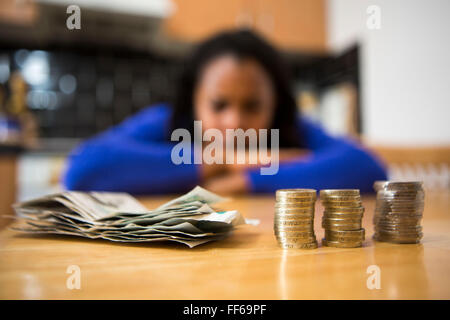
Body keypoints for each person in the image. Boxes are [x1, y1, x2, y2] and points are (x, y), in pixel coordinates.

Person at [63, 30, 386, 195]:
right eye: (219, 105)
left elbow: (368, 167)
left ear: (275, 104)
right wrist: (222, 161)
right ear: (194, 102)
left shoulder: (293, 129)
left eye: (252, 105)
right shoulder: (166, 122)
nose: (234, 122)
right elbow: (84, 167)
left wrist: (245, 181)